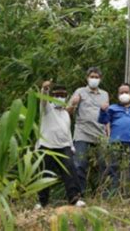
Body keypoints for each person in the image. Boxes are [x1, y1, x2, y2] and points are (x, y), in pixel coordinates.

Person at [35, 81, 85, 209]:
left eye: (63, 95)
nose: (60, 97)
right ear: (52, 95)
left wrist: (71, 145)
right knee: (44, 174)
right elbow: (43, 101)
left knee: (70, 172)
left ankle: (74, 198)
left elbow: (66, 130)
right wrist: (44, 89)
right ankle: (42, 202)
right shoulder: (47, 109)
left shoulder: (65, 113)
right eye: (57, 95)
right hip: (47, 146)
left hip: (64, 147)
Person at [98, 83, 130, 196]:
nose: (124, 94)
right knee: (114, 167)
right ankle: (112, 195)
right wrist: (102, 111)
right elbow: (103, 121)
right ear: (118, 95)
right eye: (121, 92)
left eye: (126, 92)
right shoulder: (112, 108)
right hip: (116, 142)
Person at [68, 67, 109, 194]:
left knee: (105, 165)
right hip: (82, 133)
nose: (94, 79)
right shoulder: (79, 91)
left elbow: (106, 115)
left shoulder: (105, 94)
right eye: (92, 77)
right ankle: (79, 195)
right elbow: (68, 112)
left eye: (96, 77)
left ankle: (105, 195)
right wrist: (74, 103)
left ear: (100, 79)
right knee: (79, 164)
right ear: (87, 78)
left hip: (100, 134)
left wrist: (108, 132)